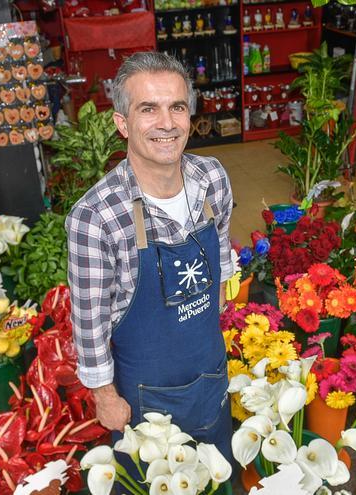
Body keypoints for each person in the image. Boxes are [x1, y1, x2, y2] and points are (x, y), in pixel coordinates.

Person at [66, 52, 235, 478]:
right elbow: (89, 324)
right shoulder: (96, 217)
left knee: (216, 480)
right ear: (122, 123)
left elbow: (220, 266)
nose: (167, 122)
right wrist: (105, 396)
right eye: (148, 109)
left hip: (210, 377)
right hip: (144, 402)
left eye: (177, 107)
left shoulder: (212, 179)